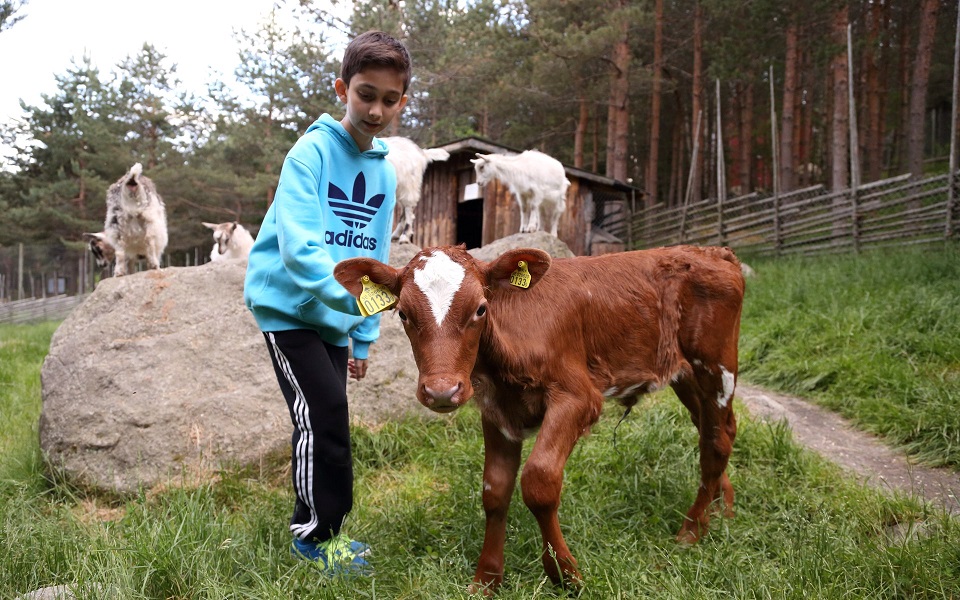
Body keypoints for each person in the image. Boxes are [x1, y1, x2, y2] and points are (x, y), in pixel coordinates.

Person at [243, 30, 410, 576]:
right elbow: (299, 247)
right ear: (343, 88)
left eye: (389, 99)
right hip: (287, 309)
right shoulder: (310, 152)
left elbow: (376, 258)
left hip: (338, 319)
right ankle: (315, 538)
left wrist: (361, 335)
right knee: (324, 414)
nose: (376, 109)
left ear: (402, 101)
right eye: (366, 94)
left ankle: (320, 526)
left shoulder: (383, 172)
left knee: (324, 417)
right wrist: (351, 302)